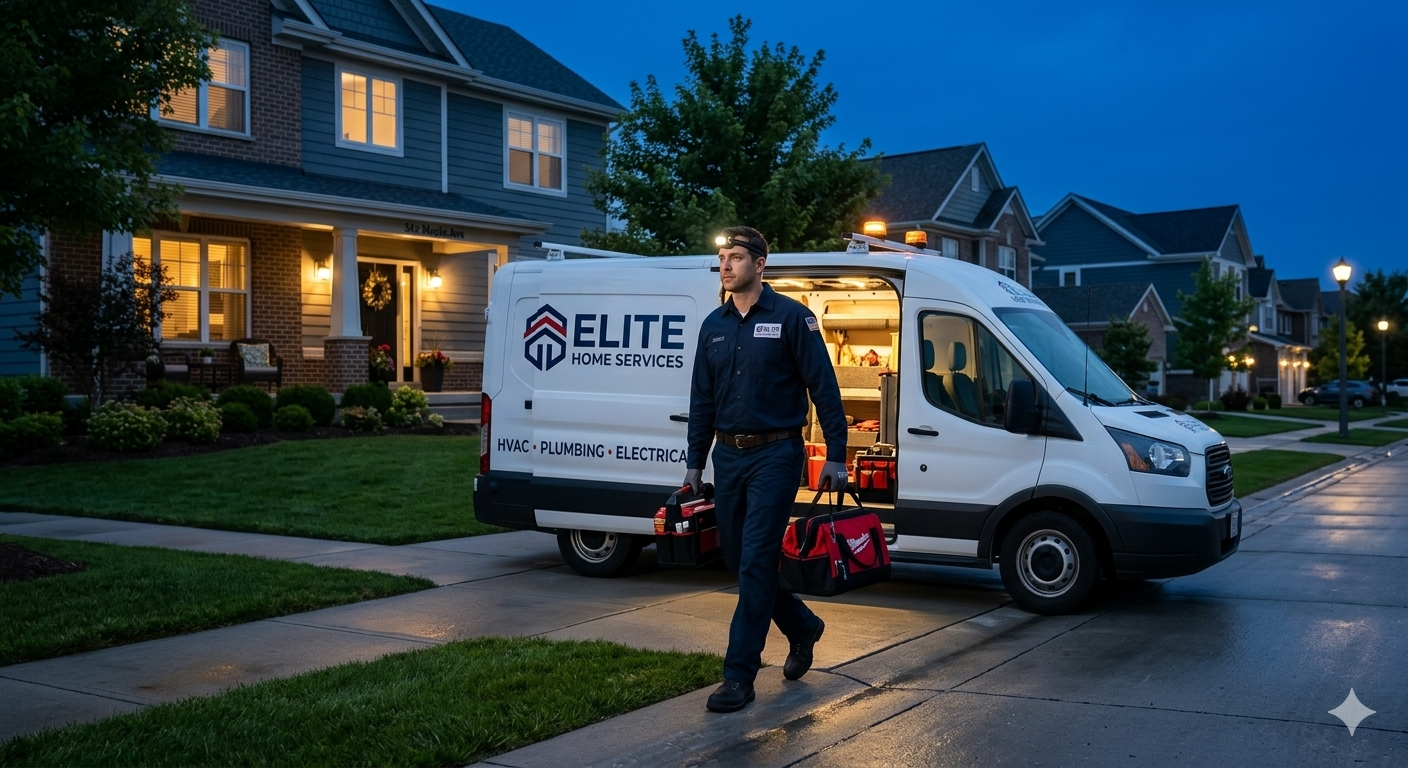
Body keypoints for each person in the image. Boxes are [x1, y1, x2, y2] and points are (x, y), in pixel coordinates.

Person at [684, 225, 850, 713]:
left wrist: (836, 455)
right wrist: (695, 463)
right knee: (739, 560)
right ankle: (803, 626)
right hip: (727, 455)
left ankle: (739, 675)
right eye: (722, 258)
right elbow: (701, 400)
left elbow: (824, 388)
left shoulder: (793, 318)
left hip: (776, 455)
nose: (725, 265)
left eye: (735, 257)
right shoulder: (713, 325)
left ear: (760, 264)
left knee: (756, 561)